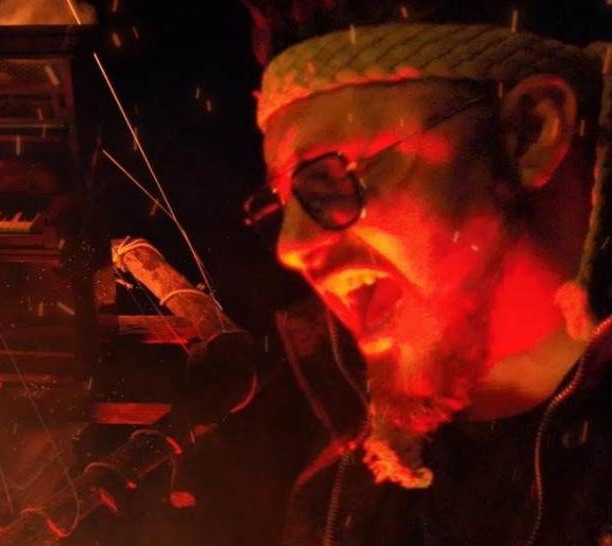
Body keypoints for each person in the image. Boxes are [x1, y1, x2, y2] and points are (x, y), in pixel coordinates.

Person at [250, 23, 612, 545]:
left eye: (328, 181)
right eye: (281, 205)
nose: (291, 247)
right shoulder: (342, 480)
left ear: (530, 133)